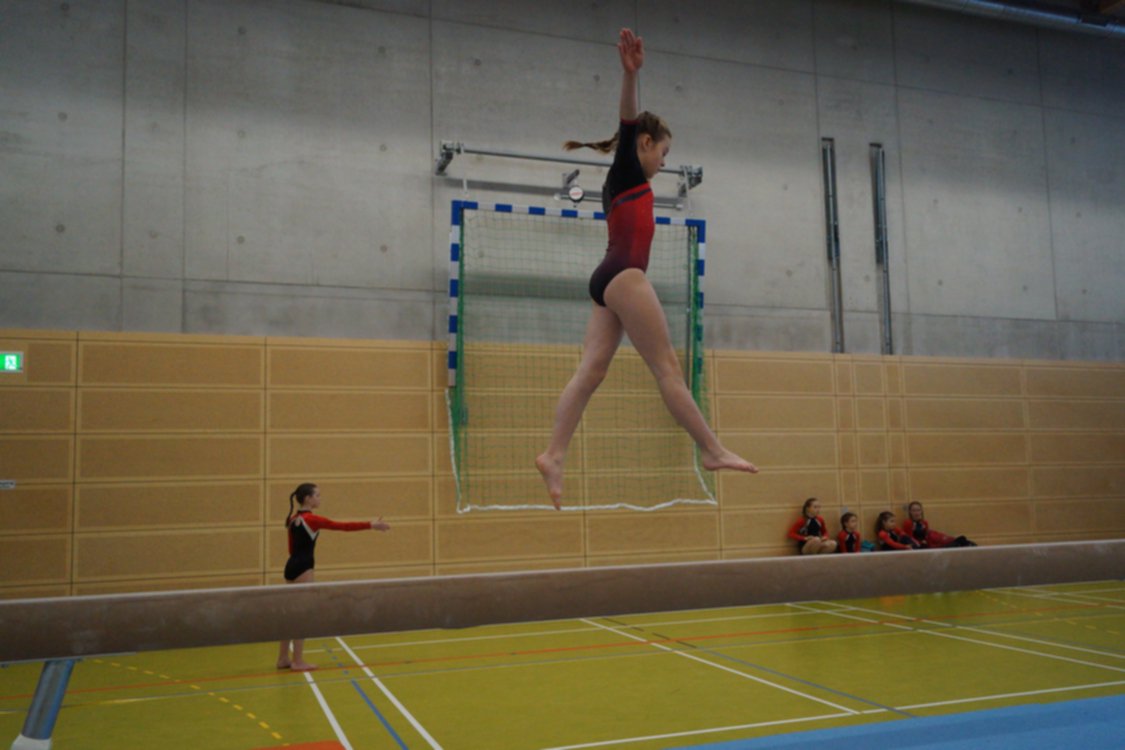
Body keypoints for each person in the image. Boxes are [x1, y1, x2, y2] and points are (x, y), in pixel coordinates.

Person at [536, 28, 757, 509]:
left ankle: (554, 454)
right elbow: (628, 118)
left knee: (592, 370)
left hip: (607, 279)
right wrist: (630, 74)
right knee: (667, 369)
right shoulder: (627, 169)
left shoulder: (624, 181)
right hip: (624, 275)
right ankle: (712, 449)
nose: (664, 161)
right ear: (645, 143)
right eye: (663, 152)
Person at [277, 483, 390, 671]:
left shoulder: (293, 519)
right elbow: (342, 527)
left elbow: (291, 548)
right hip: (304, 567)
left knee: (290, 614)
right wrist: (371, 525)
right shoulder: (311, 520)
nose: (320, 498)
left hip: (291, 566)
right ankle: (297, 661)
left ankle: (283, 658)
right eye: (317, 495)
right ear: (308, 499)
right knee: (302, 615)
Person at [903, 501, 976, 548]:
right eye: (914, 510)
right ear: (910, 512)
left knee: (959, 540)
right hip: (920, 546)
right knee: (952, 545)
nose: (916, 513)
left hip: (928, 543)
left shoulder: (924, 522)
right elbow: (909, 538)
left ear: (921, 511)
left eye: (918, 510)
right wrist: (921, 542)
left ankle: (966, 543)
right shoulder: (908, 523)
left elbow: (927, 535)